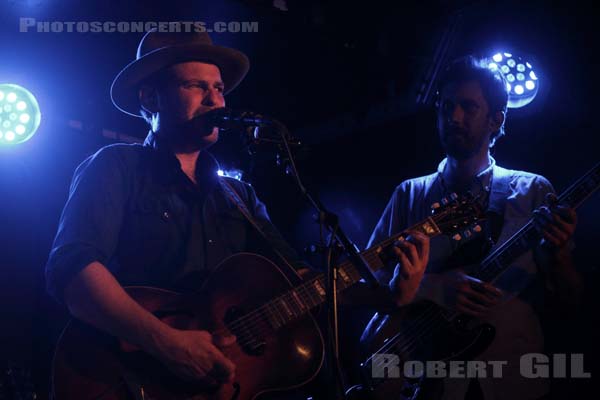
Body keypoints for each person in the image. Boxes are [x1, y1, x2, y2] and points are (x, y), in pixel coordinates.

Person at [45, 29, 428, 393]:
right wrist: (167, 344)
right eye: (196, 86)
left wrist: (385, 297)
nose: (215, 100)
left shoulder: (238, 195)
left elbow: (299, 283)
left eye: (219, 89)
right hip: (124, 380)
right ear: (150, 98)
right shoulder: (116, 166)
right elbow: (72, 272)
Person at [362, 56, 583, 399]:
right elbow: (364, 289)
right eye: (446, 106)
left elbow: (572, 302)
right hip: (424, 380)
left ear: (497, 120)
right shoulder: (410, 194)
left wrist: (559, 257)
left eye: (468, 107)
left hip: (510, 379)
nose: (453, 117)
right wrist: (433, 287)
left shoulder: (534, 192)